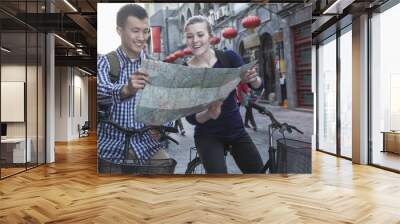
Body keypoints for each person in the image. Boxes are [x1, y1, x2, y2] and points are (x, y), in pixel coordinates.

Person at [184, 16, 264, 174]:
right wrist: (208, 114)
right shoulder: (186, 71)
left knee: (259, 175)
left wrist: (253, 79)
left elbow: (258, 86)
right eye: (189, 36)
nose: (195, 40)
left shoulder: (229, 58)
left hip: (236, 131)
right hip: (208, 136)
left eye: (200, 35)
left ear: (210, 36)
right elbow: (189, 117)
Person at [97, 4, 170, 171]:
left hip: (147, 145)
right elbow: (99, 90)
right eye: (135, 31)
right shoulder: (106, 62)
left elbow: (167, 103)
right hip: (111, 147)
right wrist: (126, 90)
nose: (141, 37)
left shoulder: (155, 67)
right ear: (119, 30)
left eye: (145, 31)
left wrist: (161, 123)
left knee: (165, 167)